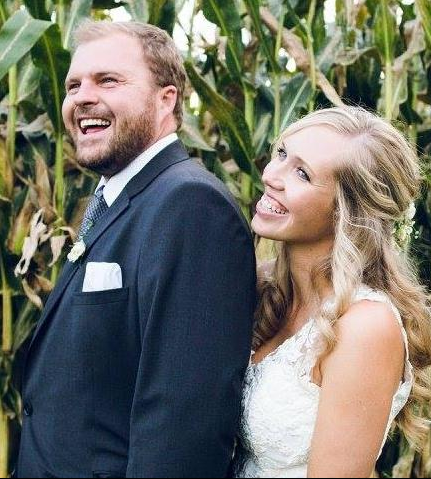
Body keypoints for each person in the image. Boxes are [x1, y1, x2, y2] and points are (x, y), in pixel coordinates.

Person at [17, 21, 256, 478]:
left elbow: (184, 419)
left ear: (166, 99)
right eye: (73, 85)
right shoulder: (119, 199)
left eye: (108, 80)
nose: (82, 97)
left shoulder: (191, 206)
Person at [233, 107, 431, 478]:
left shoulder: (364, 327)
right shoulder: (266, 291)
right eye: (281, 154)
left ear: (346, 211)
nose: (270, 177)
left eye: (302, 173)